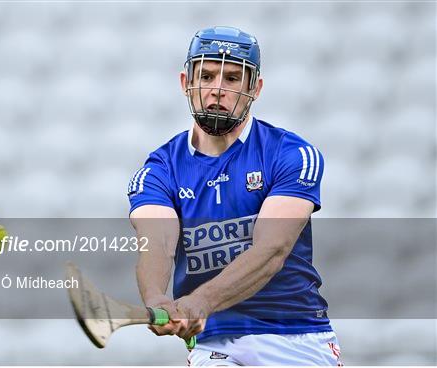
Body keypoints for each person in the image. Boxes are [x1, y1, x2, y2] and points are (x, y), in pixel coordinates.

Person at [127, 26, 342, 366]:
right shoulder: (159, 169)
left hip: (294, 338)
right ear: (185, 83)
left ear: (254, 88)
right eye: (208, 76)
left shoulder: (291, 154)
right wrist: (157, 298)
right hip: (215, 344)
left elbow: (272, 249)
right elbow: (158, 243)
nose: (217, 90)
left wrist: (201, 302)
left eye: (231, 78)